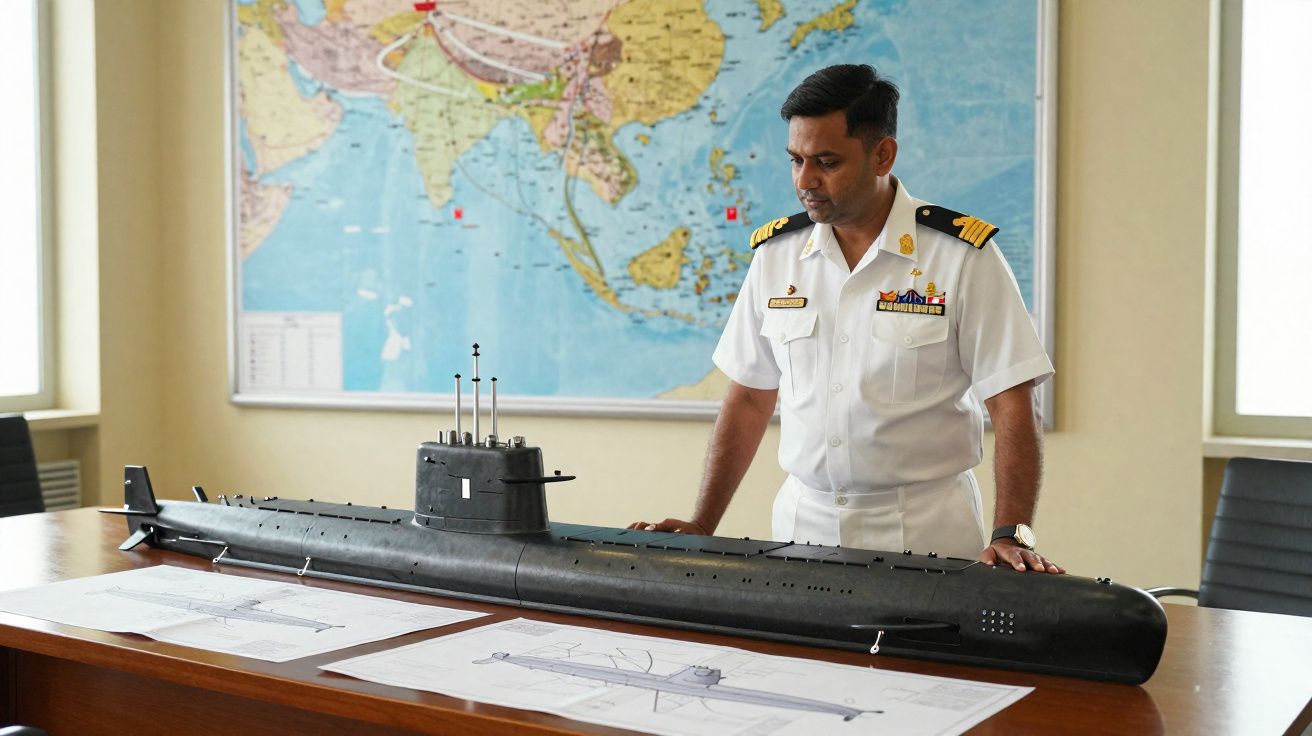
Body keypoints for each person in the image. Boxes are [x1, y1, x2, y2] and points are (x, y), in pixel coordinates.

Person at [631, 64, 1062, 574]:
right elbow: (749, 396)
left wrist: (1010, 531)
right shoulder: (778, 255)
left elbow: (1013, 401)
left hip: (925, 528)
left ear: (882, 155)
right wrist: (703, 524)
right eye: (795, 160)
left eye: (827, 162)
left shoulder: (960, 256)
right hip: (802, 526)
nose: (805, 181)